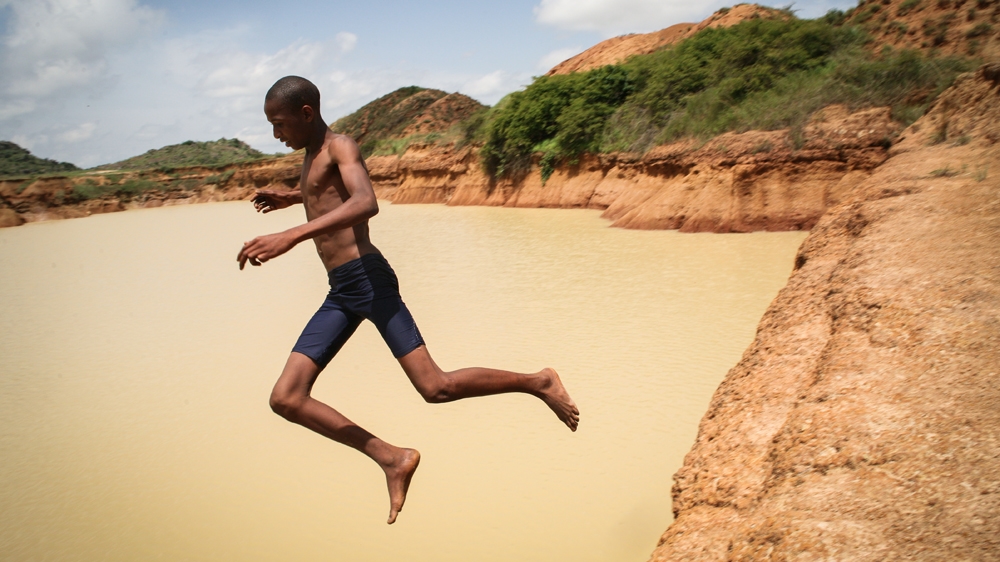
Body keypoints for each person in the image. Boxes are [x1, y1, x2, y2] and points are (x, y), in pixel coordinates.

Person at [237, 76, 579, 525]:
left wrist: (291, 234)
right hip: (342, 290)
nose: (275, 134)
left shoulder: (341, 145)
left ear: (305, 113)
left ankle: (539, 382)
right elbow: (325, 196)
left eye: (279, 124)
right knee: (286, 397)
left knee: (435, 387)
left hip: (369, 279)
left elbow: (364, 202)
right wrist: (289, 198)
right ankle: (392, 458)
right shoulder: (310, 158)